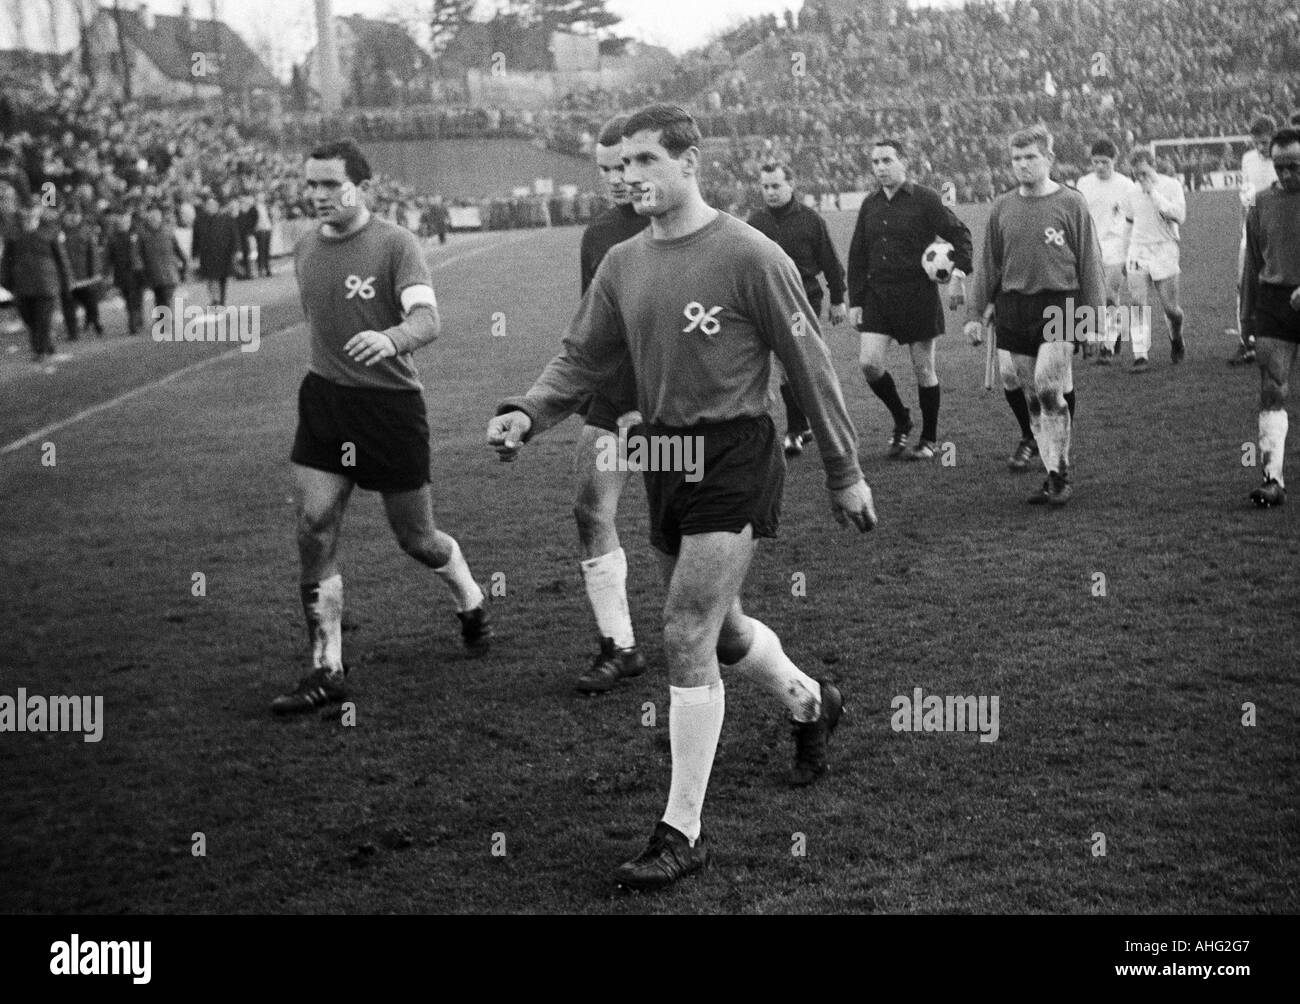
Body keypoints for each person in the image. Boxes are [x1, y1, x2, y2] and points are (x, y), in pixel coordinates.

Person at [488, 105, 877, 891]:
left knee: (683, 628)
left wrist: (843, 470)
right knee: (724, 630)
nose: (627, 176)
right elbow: (581, 356)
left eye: (642, 161)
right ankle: (810, 700)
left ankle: (683, 830)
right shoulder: (623, 262)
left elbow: (813, 370)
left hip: (736, 452)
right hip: (665, 453)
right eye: (620, 165)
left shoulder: (750, 255)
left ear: (689, 161)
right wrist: (527, 411)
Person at [272, 139, 492, 715]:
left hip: (390, 408)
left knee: (416, 540)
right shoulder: (303, 247)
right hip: (325, 402)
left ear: (363, 187)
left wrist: (390, 338)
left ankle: (469, 597)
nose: (317, 195)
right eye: (311, 184)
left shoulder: (396, 244)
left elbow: (427, 319)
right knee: (314, 524)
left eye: (330, 184)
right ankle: (327, 668)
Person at [967, 125, 1106, 506]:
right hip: (1015, 307)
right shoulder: (1002, 206)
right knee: (1032, 395)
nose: (1023, 165)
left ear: (1049, 159)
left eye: (1031, 157)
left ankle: (1060, 471)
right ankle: (1054, 474)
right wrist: (975, 312)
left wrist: (1094, 320)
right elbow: (989, 264)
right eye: (1016, 158)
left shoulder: (1072, 202)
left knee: (1048, 387)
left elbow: (1090, 263)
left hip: (1062, 303)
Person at [571, 114, 652, 695]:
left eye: (625, 165)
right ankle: (617, 644)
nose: (616, 179)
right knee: (591, 511)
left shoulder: (680, 223)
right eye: (604, 170)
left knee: (685, 524)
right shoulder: (598, 233)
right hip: (612, 401)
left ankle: (720, 631)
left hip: (672, 401)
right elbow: (592, 327)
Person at [847, 139, 973, 461]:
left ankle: (929, 440)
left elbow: (960, 234)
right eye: (875, 162)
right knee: (869, 364)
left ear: (904, 162)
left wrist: (958, 274)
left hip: (917, 294)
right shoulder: (870, 204)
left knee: (924, 370)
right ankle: (901, 418)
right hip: (879, 295)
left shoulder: (926, 199)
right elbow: (858, 253)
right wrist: (856, 300)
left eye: (887, 160)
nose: (880, 168)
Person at [746, 161, 847, 456]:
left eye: (776, 186)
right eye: (765, 187)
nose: (771, 192)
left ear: (791, 184)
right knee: (785, 365)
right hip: (768, 303)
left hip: (803, 303)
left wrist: (838, 300)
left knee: (798, 362)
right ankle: (798, 428)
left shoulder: (811, 220)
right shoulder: (755, 222)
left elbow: (831, 263)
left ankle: (802, 427)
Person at [1240, 127, 1300, 507]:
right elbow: (1253, 265)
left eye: (1295, 166)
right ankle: (1272, 479)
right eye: (1281, 167)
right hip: (1276, 305)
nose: (1288, 174)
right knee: (1272, 389)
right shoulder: (1260, 203)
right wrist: (1247, 317)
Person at [1120, 150, 1188, 372]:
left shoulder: (1171, 185)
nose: (1139, 178)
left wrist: (1153, 194)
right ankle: (1140, 355)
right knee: (1138, 303)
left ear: (1152, 166)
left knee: (1171, 310)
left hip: (1165, 249)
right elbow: (1129, 223)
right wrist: (1124, 253)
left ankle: (1176, 337)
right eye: (1136, 173)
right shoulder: (1130, 192)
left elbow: (1179, 215)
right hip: (1138, 251)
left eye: (1143, 172)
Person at [1076, 137, 1136, 365]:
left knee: (1110, 296)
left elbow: (1133, 218)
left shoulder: (1126, 185)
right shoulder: (1084, 183)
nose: (1099, 167)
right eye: (1095, 162)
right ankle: (1093, 340)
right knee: (1088, 297)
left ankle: (1108, 346)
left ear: (1114, 160)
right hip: (1090, 246)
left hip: (1116, 247)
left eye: (1104, 162)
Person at [1230, 117, 1280, 366]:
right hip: (1252, 228)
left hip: (1278, 231)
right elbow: (1247, 194)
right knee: (1244, 284)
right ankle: (1246, 341)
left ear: (1274, 137)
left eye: (1265, 142)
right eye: (1257, 143)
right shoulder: (1248, 159)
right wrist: (1244, 225)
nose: (1261, 148)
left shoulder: (1284, 160)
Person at [1, 201, 72, 364]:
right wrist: (6, 282)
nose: (28, 219)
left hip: (46, 285)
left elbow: (61, 260)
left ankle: (41, 350)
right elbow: (6, 262)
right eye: (25, 215)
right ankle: (46, 346)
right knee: (29, 319)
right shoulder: (13, 236)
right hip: (22, 286)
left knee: (43, 319)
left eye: (31, 215)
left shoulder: (49, 233)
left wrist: (66, 281)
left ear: (37, 216)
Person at [135, 202, 186, 326]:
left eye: (156, 218)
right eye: (152, 219)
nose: (154, 221)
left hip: (169, 270)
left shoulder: (168, 231)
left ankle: (164, 320)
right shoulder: (143, 234)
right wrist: (139, 267)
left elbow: (177, 248)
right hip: (153, 271)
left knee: (166, 295)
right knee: (159, 296)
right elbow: (138, 253)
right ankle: (162, 318)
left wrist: (184, 261)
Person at [59, 204, 105, 339]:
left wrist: (94, 272)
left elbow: (93, 254)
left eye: (76, 214)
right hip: (66, 276)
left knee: (90, 302)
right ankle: (72, 332)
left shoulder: (86, 232)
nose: (73, 218)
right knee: (68, 306)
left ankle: (95, 322)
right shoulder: (59, 233)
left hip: (84, 276)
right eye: (70, 214)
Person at [104, 207, 145, 335]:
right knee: (130, 298)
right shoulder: (113, 238)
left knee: (138, 296)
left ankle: (138, 318)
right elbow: (108, 257)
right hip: (123, 273)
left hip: (138, 272)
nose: (123, 222)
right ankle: (133, 322)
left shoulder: (136, 234)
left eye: (125, 220)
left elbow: (144, 252)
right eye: (121, 220)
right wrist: (107, 273)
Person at [193, 195, 240, 307]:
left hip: (223, 254)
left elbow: (234, 235)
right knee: (210, 279)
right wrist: (194, 254)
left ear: (217, 206)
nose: (211, 207)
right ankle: (214, 300)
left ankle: (221, 301)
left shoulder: (226, 219)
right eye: (209, 205)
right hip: (207, 255)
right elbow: (195, 239)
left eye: (213, 205)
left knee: (222, 279)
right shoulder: (200, 220)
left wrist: (236, 250)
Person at [253, 192, 274, 277]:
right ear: (257, 198)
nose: (262, 198)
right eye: (260, 197)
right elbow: (253, 219)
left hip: (267, 229)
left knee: (267, 250)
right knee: (261, 250)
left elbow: (270, 216)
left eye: (263, 197)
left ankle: (267, 268)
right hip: (260, 230)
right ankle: (261, 269)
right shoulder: (255, 208)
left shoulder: (267, 206)